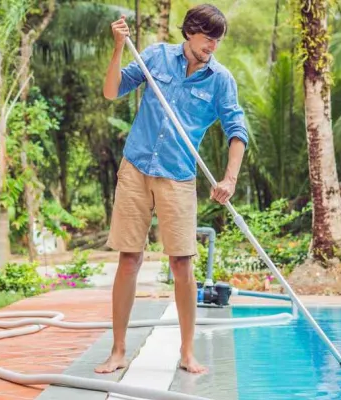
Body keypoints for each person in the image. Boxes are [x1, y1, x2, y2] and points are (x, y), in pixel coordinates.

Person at [95, 4, 248, 375]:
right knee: (129, 258)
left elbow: (237, 131)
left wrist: (229, 179)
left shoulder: (220, 79)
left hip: (178, 174)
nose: (212, 46)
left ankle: (187, 351)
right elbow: (112, 91)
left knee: (182, 264)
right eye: (208, 38)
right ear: (191, 32)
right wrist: (118, 47)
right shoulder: (155, 57)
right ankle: (118, 351)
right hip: (135, 167)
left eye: (217, 41)